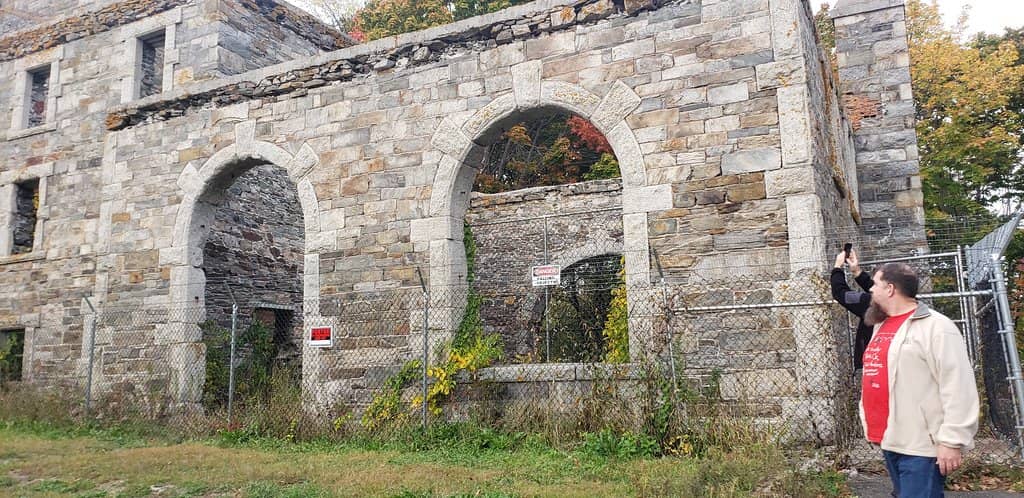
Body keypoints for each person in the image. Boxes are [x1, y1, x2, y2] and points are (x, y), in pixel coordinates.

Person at [860, 262, 979, 497]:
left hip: (921, 445)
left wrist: (952, 441)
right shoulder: (880, 326)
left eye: (875, 284)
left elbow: (958, 385)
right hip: (890, 438)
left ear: (890, 289)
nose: (871, 290)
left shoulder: (936, 327)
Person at [831, 248, 874, 370]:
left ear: (889, 288)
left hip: (872, 365)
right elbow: (873, 287)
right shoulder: (909, 303)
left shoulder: (872, 304)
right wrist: (856, 271)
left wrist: (837, 267)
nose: (874, 288)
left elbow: (841, 293)